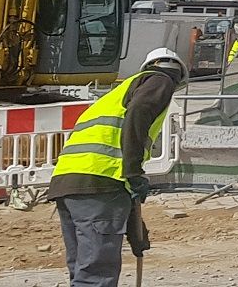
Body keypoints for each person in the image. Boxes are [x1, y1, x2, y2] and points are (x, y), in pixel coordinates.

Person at [49, 47, 187, 287]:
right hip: (100, 184)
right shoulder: (161, 80)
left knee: (82, 269)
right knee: (95, 275)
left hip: (69, 183)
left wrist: (135, 232)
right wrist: (134, 172)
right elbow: (139, 112)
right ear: (178, 76)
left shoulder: (116, 95)